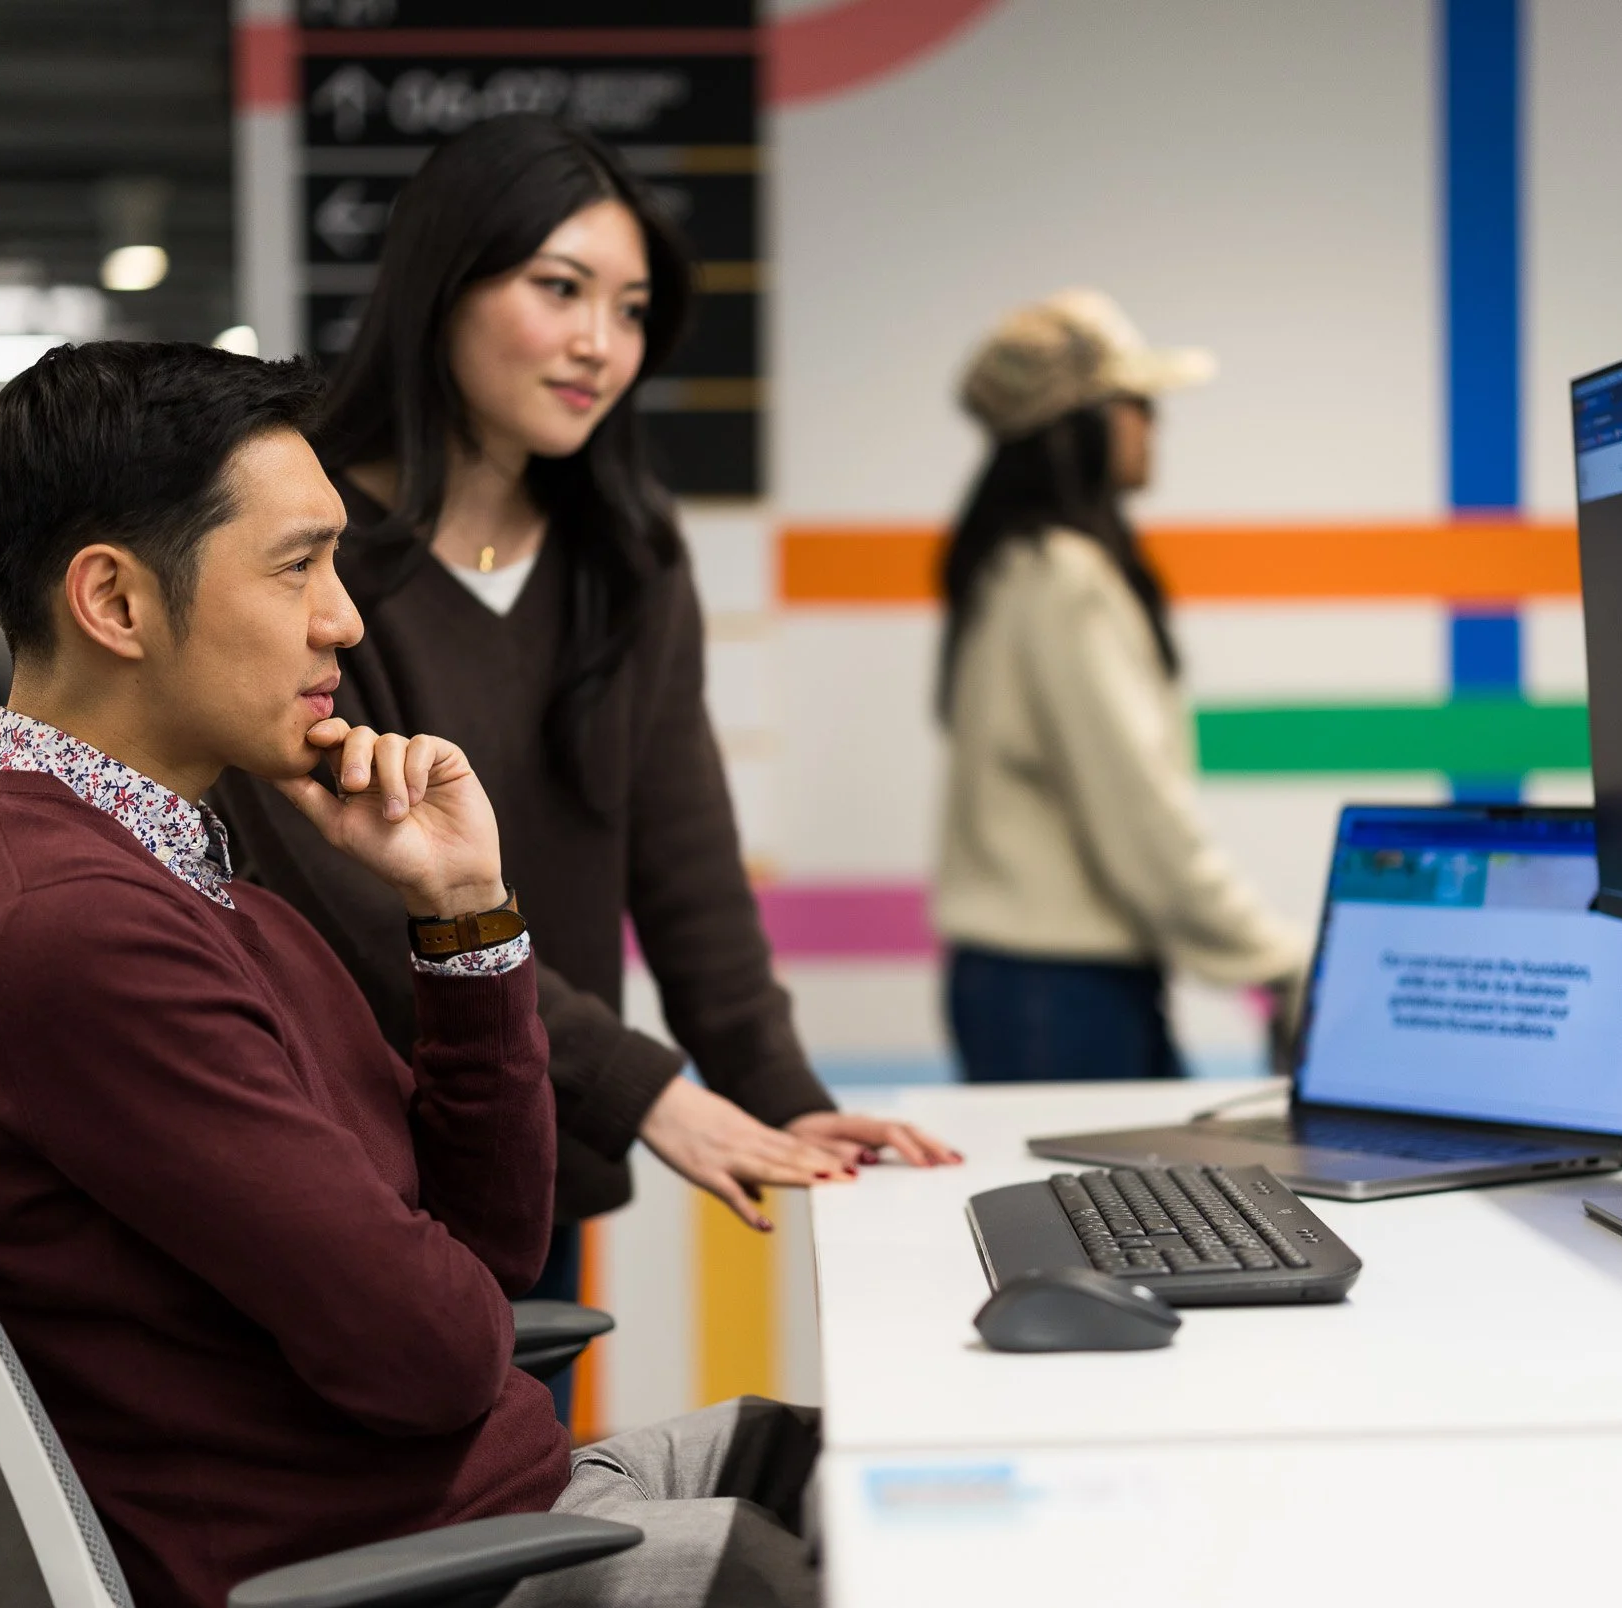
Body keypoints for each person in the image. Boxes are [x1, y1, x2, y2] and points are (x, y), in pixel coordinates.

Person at [0, 340, 822, 1608]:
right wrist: (446, 1297)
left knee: (855, 1467)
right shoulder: (67, 926)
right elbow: (433, 1352)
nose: (346, 618)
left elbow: (489, 1247)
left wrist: (462, 913)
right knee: (880, 1591)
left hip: (480, 1516)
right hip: (401, 1597)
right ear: (116, 600)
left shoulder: (183, 872)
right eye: (295, 562)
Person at [210, 117, 954, 1316]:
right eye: (559, 289)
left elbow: (686, 860)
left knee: (530, 1486)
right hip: (341, 1156)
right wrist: (653, 1092)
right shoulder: (308, 546)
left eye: (631, 307)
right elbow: (358, 899)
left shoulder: (629, 555)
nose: (599, 345)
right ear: (444, 284)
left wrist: (783, 1095)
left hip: (531, 1147)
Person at [933, 289, 1310, 1082]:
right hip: (1063, 991)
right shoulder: (1063, 577)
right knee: (1143, 1208)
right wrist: (1276, 955)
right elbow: (1137, 807)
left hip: (1028, 983)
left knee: (1129, 1205)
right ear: (1082, 421)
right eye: (1137, 402)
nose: (1154, 425)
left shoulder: (1012, 564)